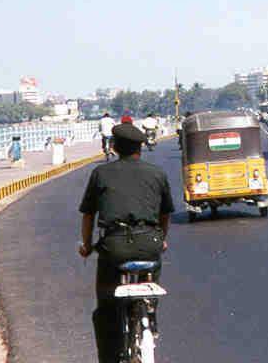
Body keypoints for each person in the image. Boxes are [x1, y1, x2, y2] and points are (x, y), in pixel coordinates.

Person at [77, 123, 175, 363]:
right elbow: (165, 214)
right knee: (153, 266)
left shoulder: (101, 173)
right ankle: (150, 311)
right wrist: (162, 239)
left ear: (114, 147)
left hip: (115, 246)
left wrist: (87, 246)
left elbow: (88, 214)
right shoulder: (157, 173)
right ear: (140, 148)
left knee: (106, 307)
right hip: (149, 242)